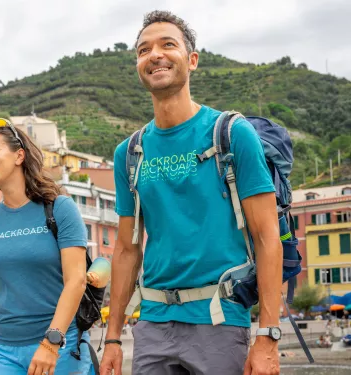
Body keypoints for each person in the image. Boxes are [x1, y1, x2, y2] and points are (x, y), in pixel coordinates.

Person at [99, 10, 282, 375]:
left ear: (192, 60)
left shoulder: (231, 133)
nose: (155, 55)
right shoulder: (130, 153)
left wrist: (268, 335)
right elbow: (125, 249)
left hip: (218, 318)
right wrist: (113, 338)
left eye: (169, 45)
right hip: (151, 323)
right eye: (144, 49)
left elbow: (266, 236)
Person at [0, 118, 92, 375]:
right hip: (0, 351)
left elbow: (76, 280)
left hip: (60, 345)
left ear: (19, 155)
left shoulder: (59, 209)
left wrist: (51, 342)